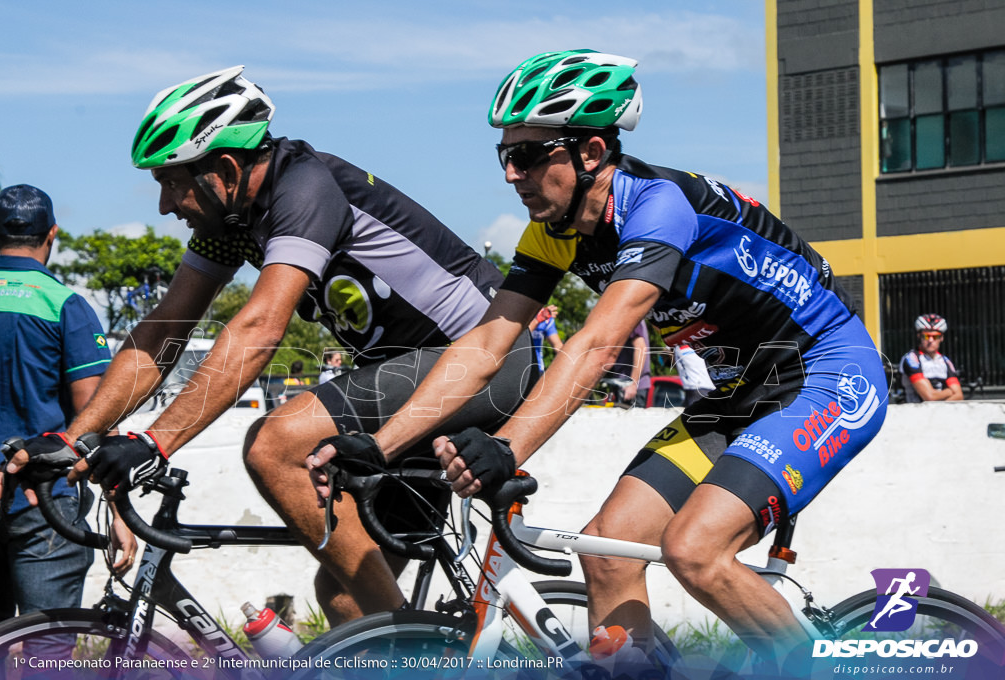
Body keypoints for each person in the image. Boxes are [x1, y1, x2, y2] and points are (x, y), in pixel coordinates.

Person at [310, 50, 888, 671]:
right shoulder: (552, 231)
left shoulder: (658, 206)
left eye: (528, 156)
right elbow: (484, 345)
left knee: (694, 551)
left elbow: (598, 342)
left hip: (827, 375)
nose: (511, 174)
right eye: (505, 155)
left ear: (589, 153)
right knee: (609, 552)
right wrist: (383, 445)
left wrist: (507, 448)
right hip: (738, 393)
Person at [3, 66, 536, 627]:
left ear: (226, 170)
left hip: (481, 359)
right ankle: (415, 651)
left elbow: (259, 329)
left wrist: (155, 443)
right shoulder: (233, 217)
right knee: (345, 598)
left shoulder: (304, 187)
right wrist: (72, 438)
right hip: (412, 380)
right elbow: (165, 329)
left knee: (274, 443)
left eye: (170, 180)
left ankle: (417, 651)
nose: (163, 204)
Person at [0, 185, 136, 641]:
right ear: (52, 234)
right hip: (44, 501)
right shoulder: (66, 306)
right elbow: (95, 416)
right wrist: (118, 513)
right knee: (45, 647)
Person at [898, 314, 963, 402]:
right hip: (914, 412)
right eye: (926, 336)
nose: (930, 340)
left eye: (935, 336)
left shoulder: (945, 361)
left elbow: (959, 395)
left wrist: (938, 410)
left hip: (938, 412)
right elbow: (929, 397)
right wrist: (950, 391)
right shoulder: (912, 358)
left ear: (942, 338)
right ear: (919, 336)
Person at [605, 320, 651, 407]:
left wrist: (632, 384)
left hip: (631, 388)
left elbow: (641, 348)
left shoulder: (631, 317)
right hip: (623, 385)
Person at [528, 304, 564, 372]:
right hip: (518, 365)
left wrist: (572, 357)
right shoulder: (518, 315)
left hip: (537, 367)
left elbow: (557, 345)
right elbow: (521, 337)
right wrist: (537, 320)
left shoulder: (546, 319)